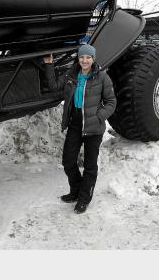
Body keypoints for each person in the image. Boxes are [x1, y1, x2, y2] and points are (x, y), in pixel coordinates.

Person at [43, 44, 117, 214]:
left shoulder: (102, 77)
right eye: (82, 57)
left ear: (93, 59)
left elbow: (111, 102)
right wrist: (49, 65)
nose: (84, 60)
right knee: (68, 162)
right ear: (78, 58)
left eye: (88, 57)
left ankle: (84, 198)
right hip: (75, 124)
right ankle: (75, 191)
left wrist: (99, 116)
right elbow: (54, 86)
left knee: (90, 166)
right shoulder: (71, 75)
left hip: (94, 128)